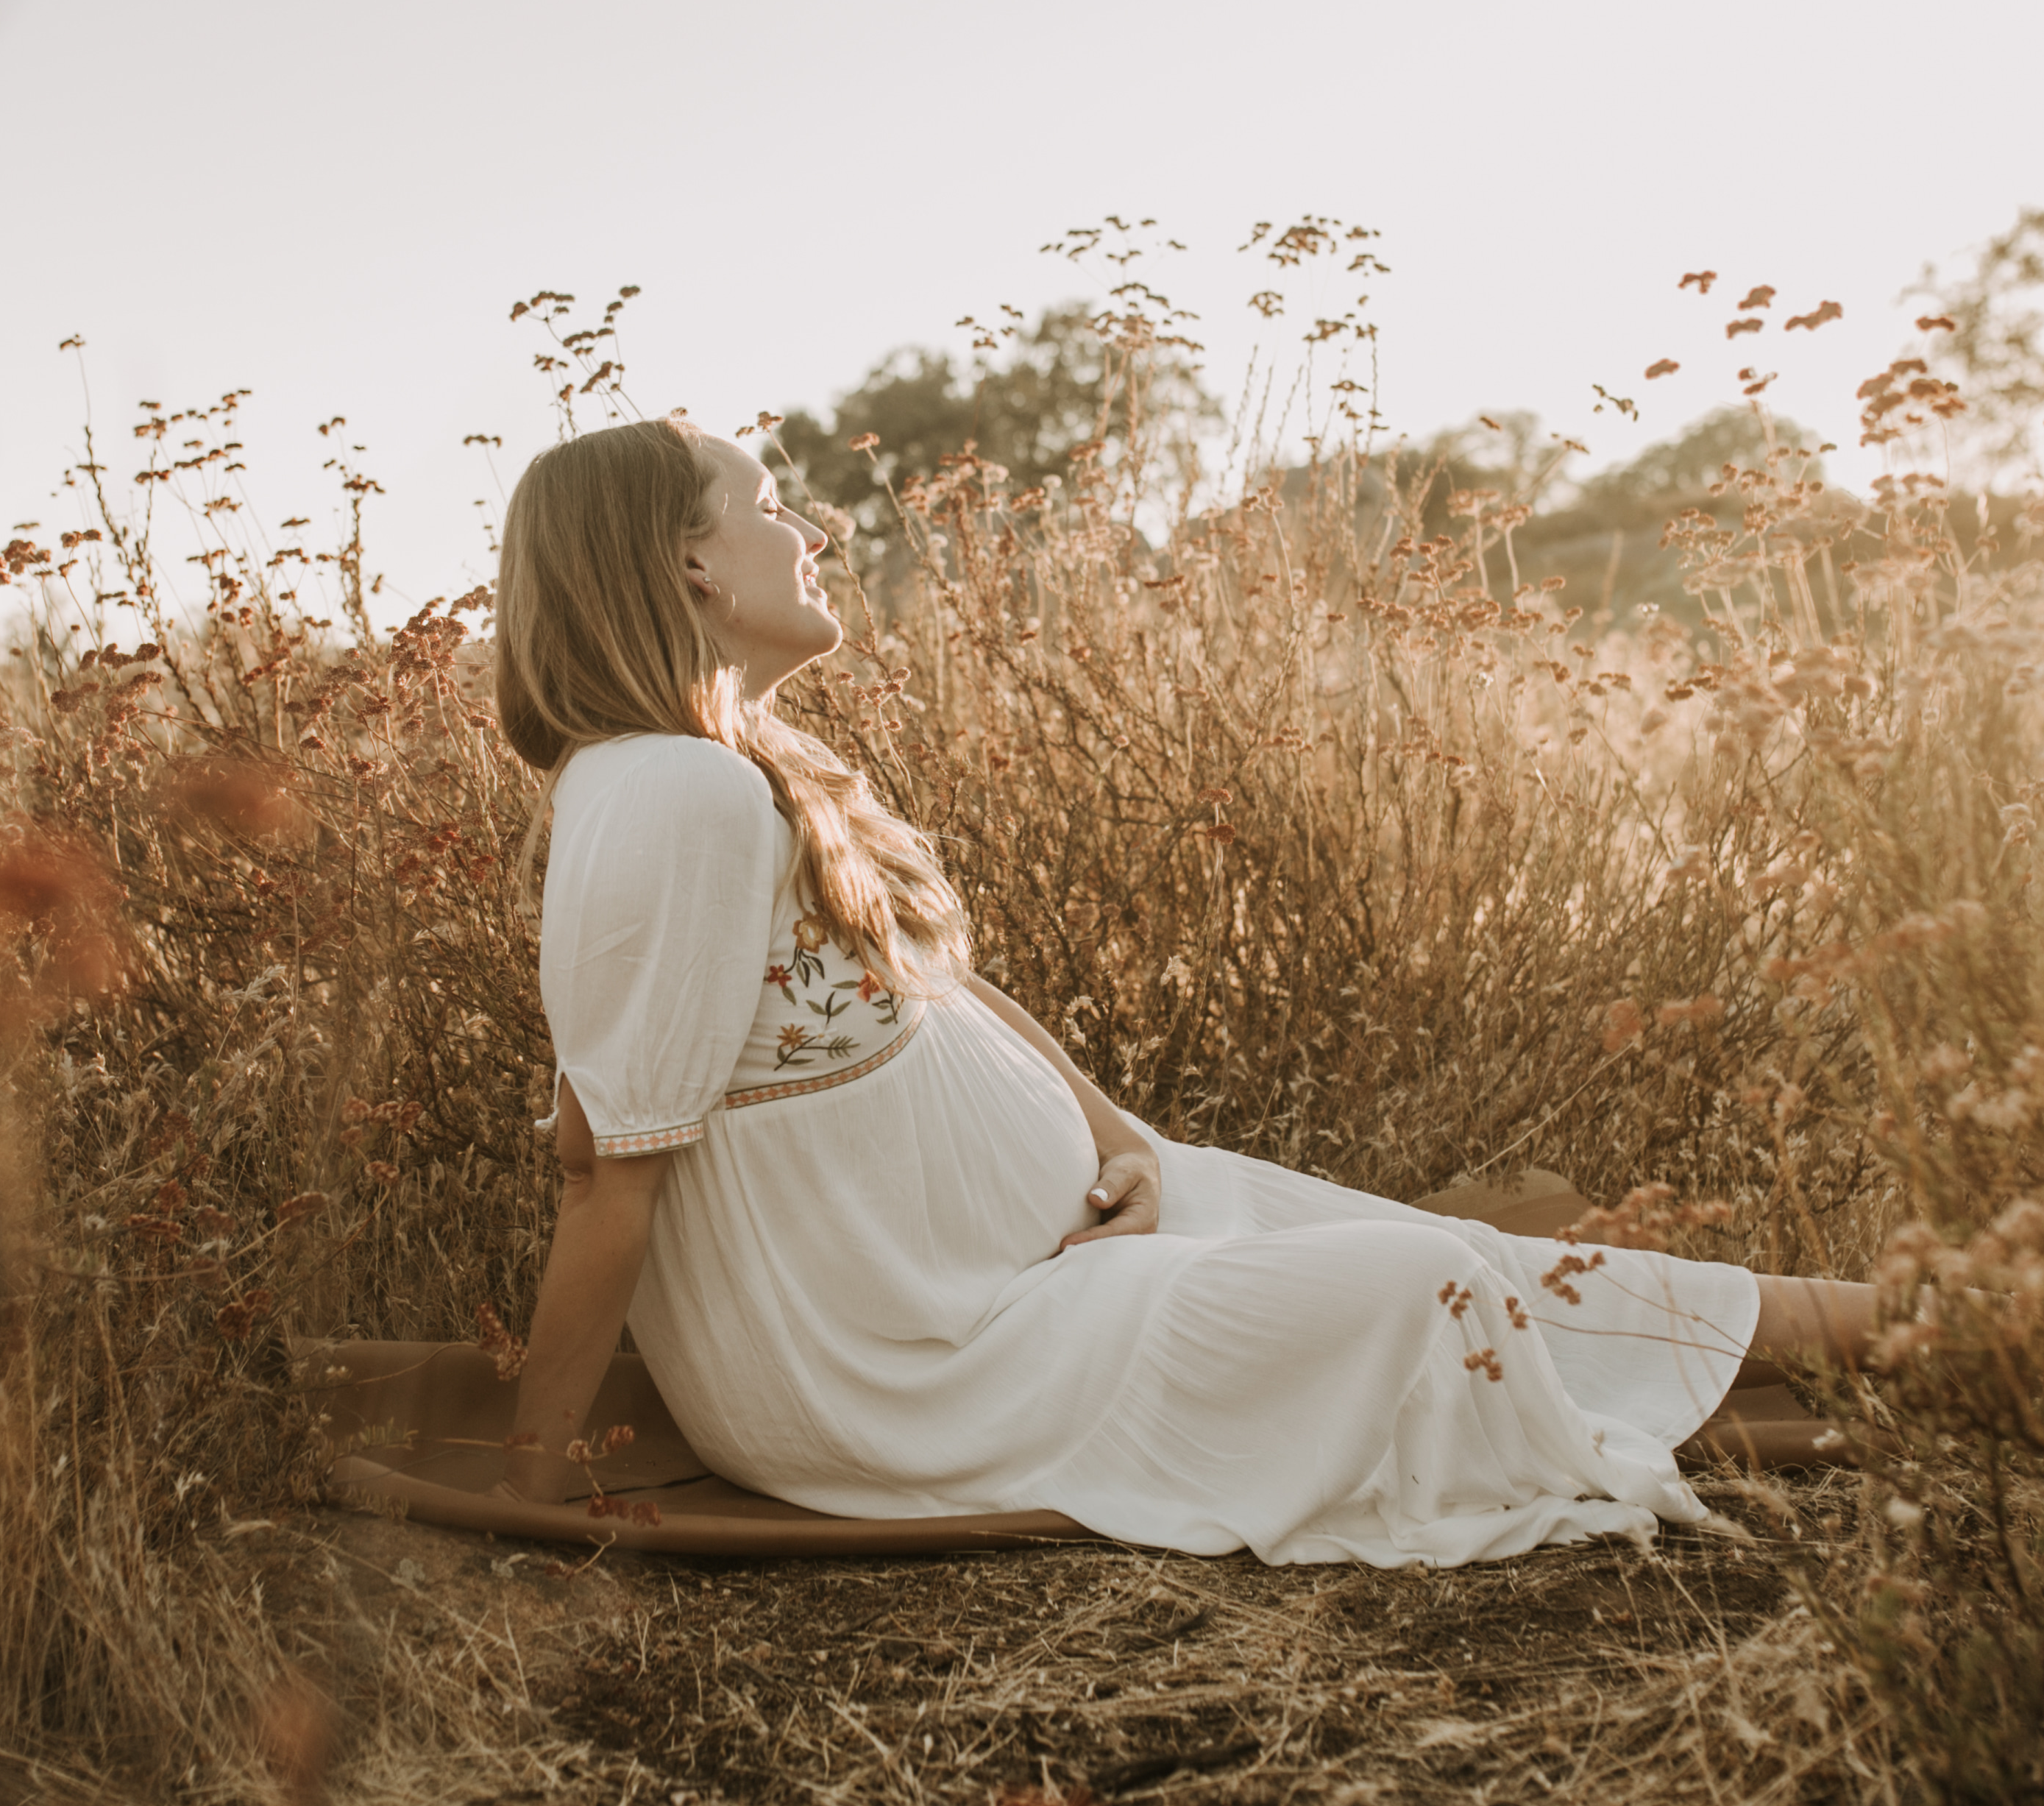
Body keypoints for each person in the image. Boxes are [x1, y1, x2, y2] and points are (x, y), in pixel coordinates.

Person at [485, 416, 1876, 1563]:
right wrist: (528, 1489)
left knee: (1528, 1276)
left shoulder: (741, 765)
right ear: (690, 568)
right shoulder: (672, 793)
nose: (817, 533)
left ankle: (1932, 1327)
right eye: (772, 504)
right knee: (1435, 1282)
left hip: (1056, 1259)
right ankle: (1941, 1334)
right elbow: (608, 1165)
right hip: (939, 1369)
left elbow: (944, 992)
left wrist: (1124, 1146)